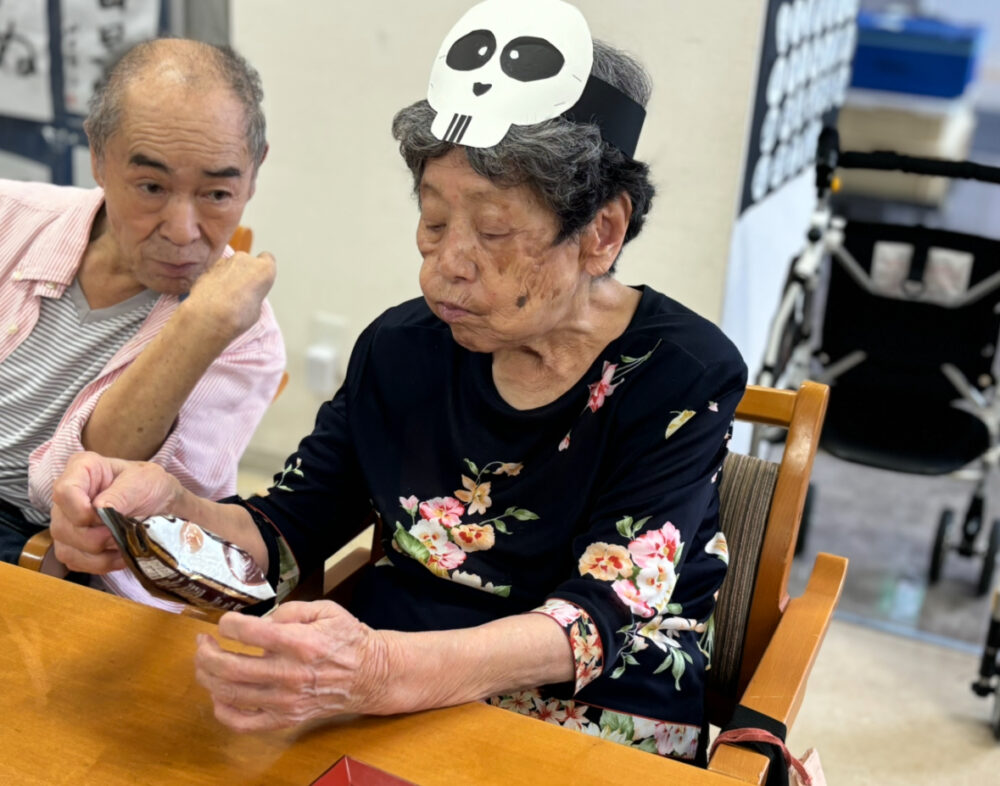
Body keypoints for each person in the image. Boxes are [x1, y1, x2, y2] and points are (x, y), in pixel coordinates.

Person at [50, 1, 746, 765]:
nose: (447, 262)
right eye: (434, 220)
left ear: (602, 233)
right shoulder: (401, 347)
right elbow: (288, 531)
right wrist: (167, 510)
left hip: (592, 720)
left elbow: (599, 620)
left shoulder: (682, 372)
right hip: (389, 698)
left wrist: (381, 671)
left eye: (491, 231)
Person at [0, 38, 285, 608]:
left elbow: (102, 506)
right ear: (99, 157)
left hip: (41, 554)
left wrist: (198, 327)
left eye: (217, 193)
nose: (183, 230)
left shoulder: (243, 337)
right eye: (152, 187)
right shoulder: (12, 217)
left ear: (253, 176)